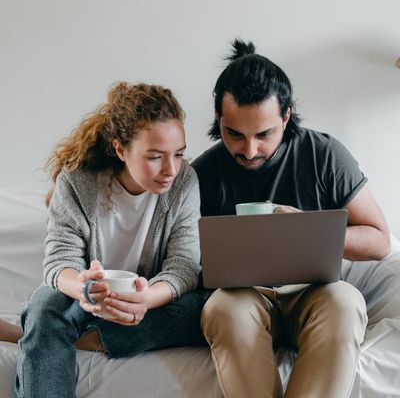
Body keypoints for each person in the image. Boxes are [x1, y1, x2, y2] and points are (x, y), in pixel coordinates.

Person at [192, 39, 391, 398]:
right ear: (218, 120)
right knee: (222, 308)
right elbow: (183, 256)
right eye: (234, 134)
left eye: (264, 134)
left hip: (314, 292)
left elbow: (380, 240)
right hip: (244, 296)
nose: (249, 150)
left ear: (286, 116)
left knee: (346, 303)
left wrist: (307, 232)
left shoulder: (324, 155)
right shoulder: (204, 172)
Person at [2, 81, 205, 398]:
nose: (171, 169)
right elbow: (59, 262)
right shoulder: (78, 179)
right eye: (154, 156)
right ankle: (46, 330)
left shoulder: (185, 182)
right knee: (45, 306)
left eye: (179, 154)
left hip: (147, 300)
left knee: (200, 309)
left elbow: (184, 265)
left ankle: (48, 336)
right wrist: (84, 287)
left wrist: (145, 298)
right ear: (121, 150)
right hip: (85, 295)